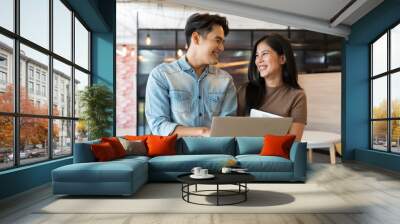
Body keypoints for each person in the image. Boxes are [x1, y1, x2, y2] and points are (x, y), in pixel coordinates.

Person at [145, 13, 237, 137]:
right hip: (176, 154)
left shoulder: (225, 80)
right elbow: (158, 125)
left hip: (216, 153)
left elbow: (228, 127)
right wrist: (203, 132)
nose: (221, 47)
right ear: (196, 38)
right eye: (217, 40)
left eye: (222, 42)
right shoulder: (162, 76)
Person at [237, 34, 307, 140]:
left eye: (265, 54)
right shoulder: (244, 91)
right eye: (256, 55)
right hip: (244, 155)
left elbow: (294, 142)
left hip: (277, 155)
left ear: (282, 59)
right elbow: (232, 131)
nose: (259, 60)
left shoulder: (297, 96)